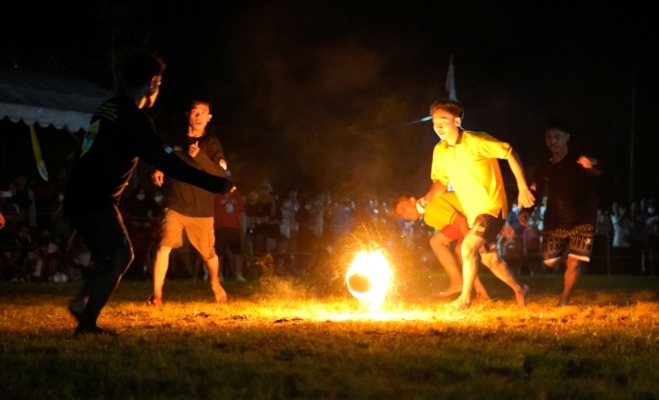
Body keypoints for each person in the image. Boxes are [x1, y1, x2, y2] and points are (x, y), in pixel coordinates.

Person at [63, 51, 233, 336]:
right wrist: (215, 184)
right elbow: (169, 162)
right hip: (95, 198)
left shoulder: (108, 108)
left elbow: (86, 151)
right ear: (152, 81)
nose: (159, 89)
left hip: (79, 193)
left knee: (109, 258)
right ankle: (87, 323)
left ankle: (81, 303)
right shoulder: (134, 119)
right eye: (160, 83)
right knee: (121, 255)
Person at [417, 99, 533, 309]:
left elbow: (509, 152)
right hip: (473, 214)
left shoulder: (476, 140)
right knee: (489, 259)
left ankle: (464, 299)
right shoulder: (440, 151)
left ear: (457, 120)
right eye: (435, 123)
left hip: (492, 207)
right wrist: (426, 198)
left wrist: (522, 187)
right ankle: (519, 288)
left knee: (467, 248)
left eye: (443, 121)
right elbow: (440, 182)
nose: (438, 127)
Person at [147, 97, 229, 306]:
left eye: (203, 112)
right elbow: (164, 153)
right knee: (163, 246)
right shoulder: (175, 139)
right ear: (188, 115)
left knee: (209, 254)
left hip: (201, 210)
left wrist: (200, 156)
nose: (199, 115)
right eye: (195, 111)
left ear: (209, 118)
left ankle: (214, 282)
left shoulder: (211, 144)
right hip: (175, 203)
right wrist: (159, 167)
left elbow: (220, 173)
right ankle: (157, 296)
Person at [520, 120, 602, 306]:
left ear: (567, 137)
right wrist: (526, 210)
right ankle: (566, 253)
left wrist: (593, 165)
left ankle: (564, 299)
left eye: (557, 137)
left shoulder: (579, 161)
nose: (552, 141)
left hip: (583, 218)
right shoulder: (543, 168)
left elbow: (599, 171)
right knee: (550, 262)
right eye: (549, 137)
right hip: (555, 219)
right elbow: (536, 191)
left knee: (574, 262)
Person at [392, 191, 491, 300]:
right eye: (401, 215)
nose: (405, 215)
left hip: (478, 214)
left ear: (412, 200)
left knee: (435, 242)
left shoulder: (430, 205)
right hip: (470, 218)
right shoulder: (428, 219)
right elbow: (454, 227)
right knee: (459, 250)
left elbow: (460, 220)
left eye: (404, 208)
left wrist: (472, 243)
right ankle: (481, 293)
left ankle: (457, 282)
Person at [213, 180, 247, 282]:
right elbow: (213, 212)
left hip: (234, 228)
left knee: (237, 252)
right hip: (221, 228)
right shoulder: (217, 196)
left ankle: (239, 274)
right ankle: (219, 275)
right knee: (219, 253)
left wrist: (241, 228)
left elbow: (240, 213)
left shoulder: (236, 195)